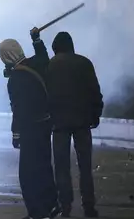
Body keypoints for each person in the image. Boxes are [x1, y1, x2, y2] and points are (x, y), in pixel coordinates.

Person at [0, 28, 60, 219]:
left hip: (29, 129)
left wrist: (16, 134)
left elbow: (19, 109)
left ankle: (36, 212)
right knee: (44, 166)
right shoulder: (36, 64)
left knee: (28, 174)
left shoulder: (16, 78)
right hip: (46, 123)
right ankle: (51, 205)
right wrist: (36, 39)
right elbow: (43, 56)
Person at [47, 32, 103, 218]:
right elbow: (95, 92)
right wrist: (95, 115)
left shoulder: (51, 65)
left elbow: (45, 94)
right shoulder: (84, 63)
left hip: (59, 123)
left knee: (61, 167)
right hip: (82, 122)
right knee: (85, 167)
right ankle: (88, 206)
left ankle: (66, 205)